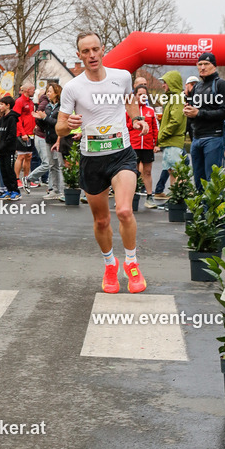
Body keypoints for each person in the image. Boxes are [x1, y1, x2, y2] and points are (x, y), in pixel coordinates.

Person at [56, 31, 149, 293]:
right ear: (79, 55)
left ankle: (131, 263)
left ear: (103, 49)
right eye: (85, 51)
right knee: (101, 221)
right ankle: (110, 264)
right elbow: (61, 127)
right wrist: (68, 124)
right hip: (92, 159)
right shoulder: (73, 87)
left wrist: (137, 119)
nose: (91, 55)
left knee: (124, 211)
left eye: (95, 49)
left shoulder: (122, 77)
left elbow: (130, 100)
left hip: (121, 154)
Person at [183, 53, 225, 190]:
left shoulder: (221, 85)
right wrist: (189, 112)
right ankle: (202, 211)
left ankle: (215, 211)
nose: (202, 67)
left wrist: (199, 113)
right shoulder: (197, 87)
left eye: (206, 64)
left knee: (213, 182)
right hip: (196, 138)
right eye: (200, 64)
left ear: (214, 66)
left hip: (214, 137)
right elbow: (195, 111)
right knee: (199, 182)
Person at [153, 70, 186, 200]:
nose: (163, 85)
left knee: (176, 172)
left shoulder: (177, 99)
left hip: (172, 141)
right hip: (169, 142)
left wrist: (161, 136)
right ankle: (175, 199)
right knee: (172, 171)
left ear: (172, 83)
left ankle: (178, 200)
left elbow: (176, 121)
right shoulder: (174, 98)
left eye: (165, 82)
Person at [127, 84, 159, 208]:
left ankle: (149, 197)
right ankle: (129, 197)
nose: (142, 96)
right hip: (133, 145)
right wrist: (134, 124)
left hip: (146, 146)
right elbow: (126, 126)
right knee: (132, 172)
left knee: (147, 172)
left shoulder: (150, 111)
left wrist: (156, 143)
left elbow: (155, 129)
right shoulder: (129, 111)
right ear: (135, 96)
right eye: (140, 94)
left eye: (144, 94)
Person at [30, 82, 63, 199]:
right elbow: (47, 124)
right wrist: (40, 119)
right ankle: (55, 190)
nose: (47, 93)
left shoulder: (62, 107)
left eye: (50, 91)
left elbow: (59, 124)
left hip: (58, 139)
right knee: (52, 165)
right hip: (48, 139)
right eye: (47, 91)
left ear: (56, 93)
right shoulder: (48, 106)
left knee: (59, 165)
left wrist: (45, 118)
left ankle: (60, 190)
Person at [0, 96, 20, 199]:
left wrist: (4, 145)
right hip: (2, 150)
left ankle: (15, 191)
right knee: (3, 170)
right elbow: (0, 134)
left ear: (8, 105)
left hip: (9, 150)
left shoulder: (12, 118)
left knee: (10, 170)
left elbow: (11, 135)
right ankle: (8, 190)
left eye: (2, 104)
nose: (0, 106)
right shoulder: (2, 119)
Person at [13, 81, 36, 192]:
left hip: (31, 133)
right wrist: (22, 133)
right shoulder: (19, 101)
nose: (34, 91)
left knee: (29, 156)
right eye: (33, 90)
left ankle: (26, 178)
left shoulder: (31, 102)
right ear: (28, 90)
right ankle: (16, 179)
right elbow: (17, 118)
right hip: (22, 134)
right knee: (21, 156)